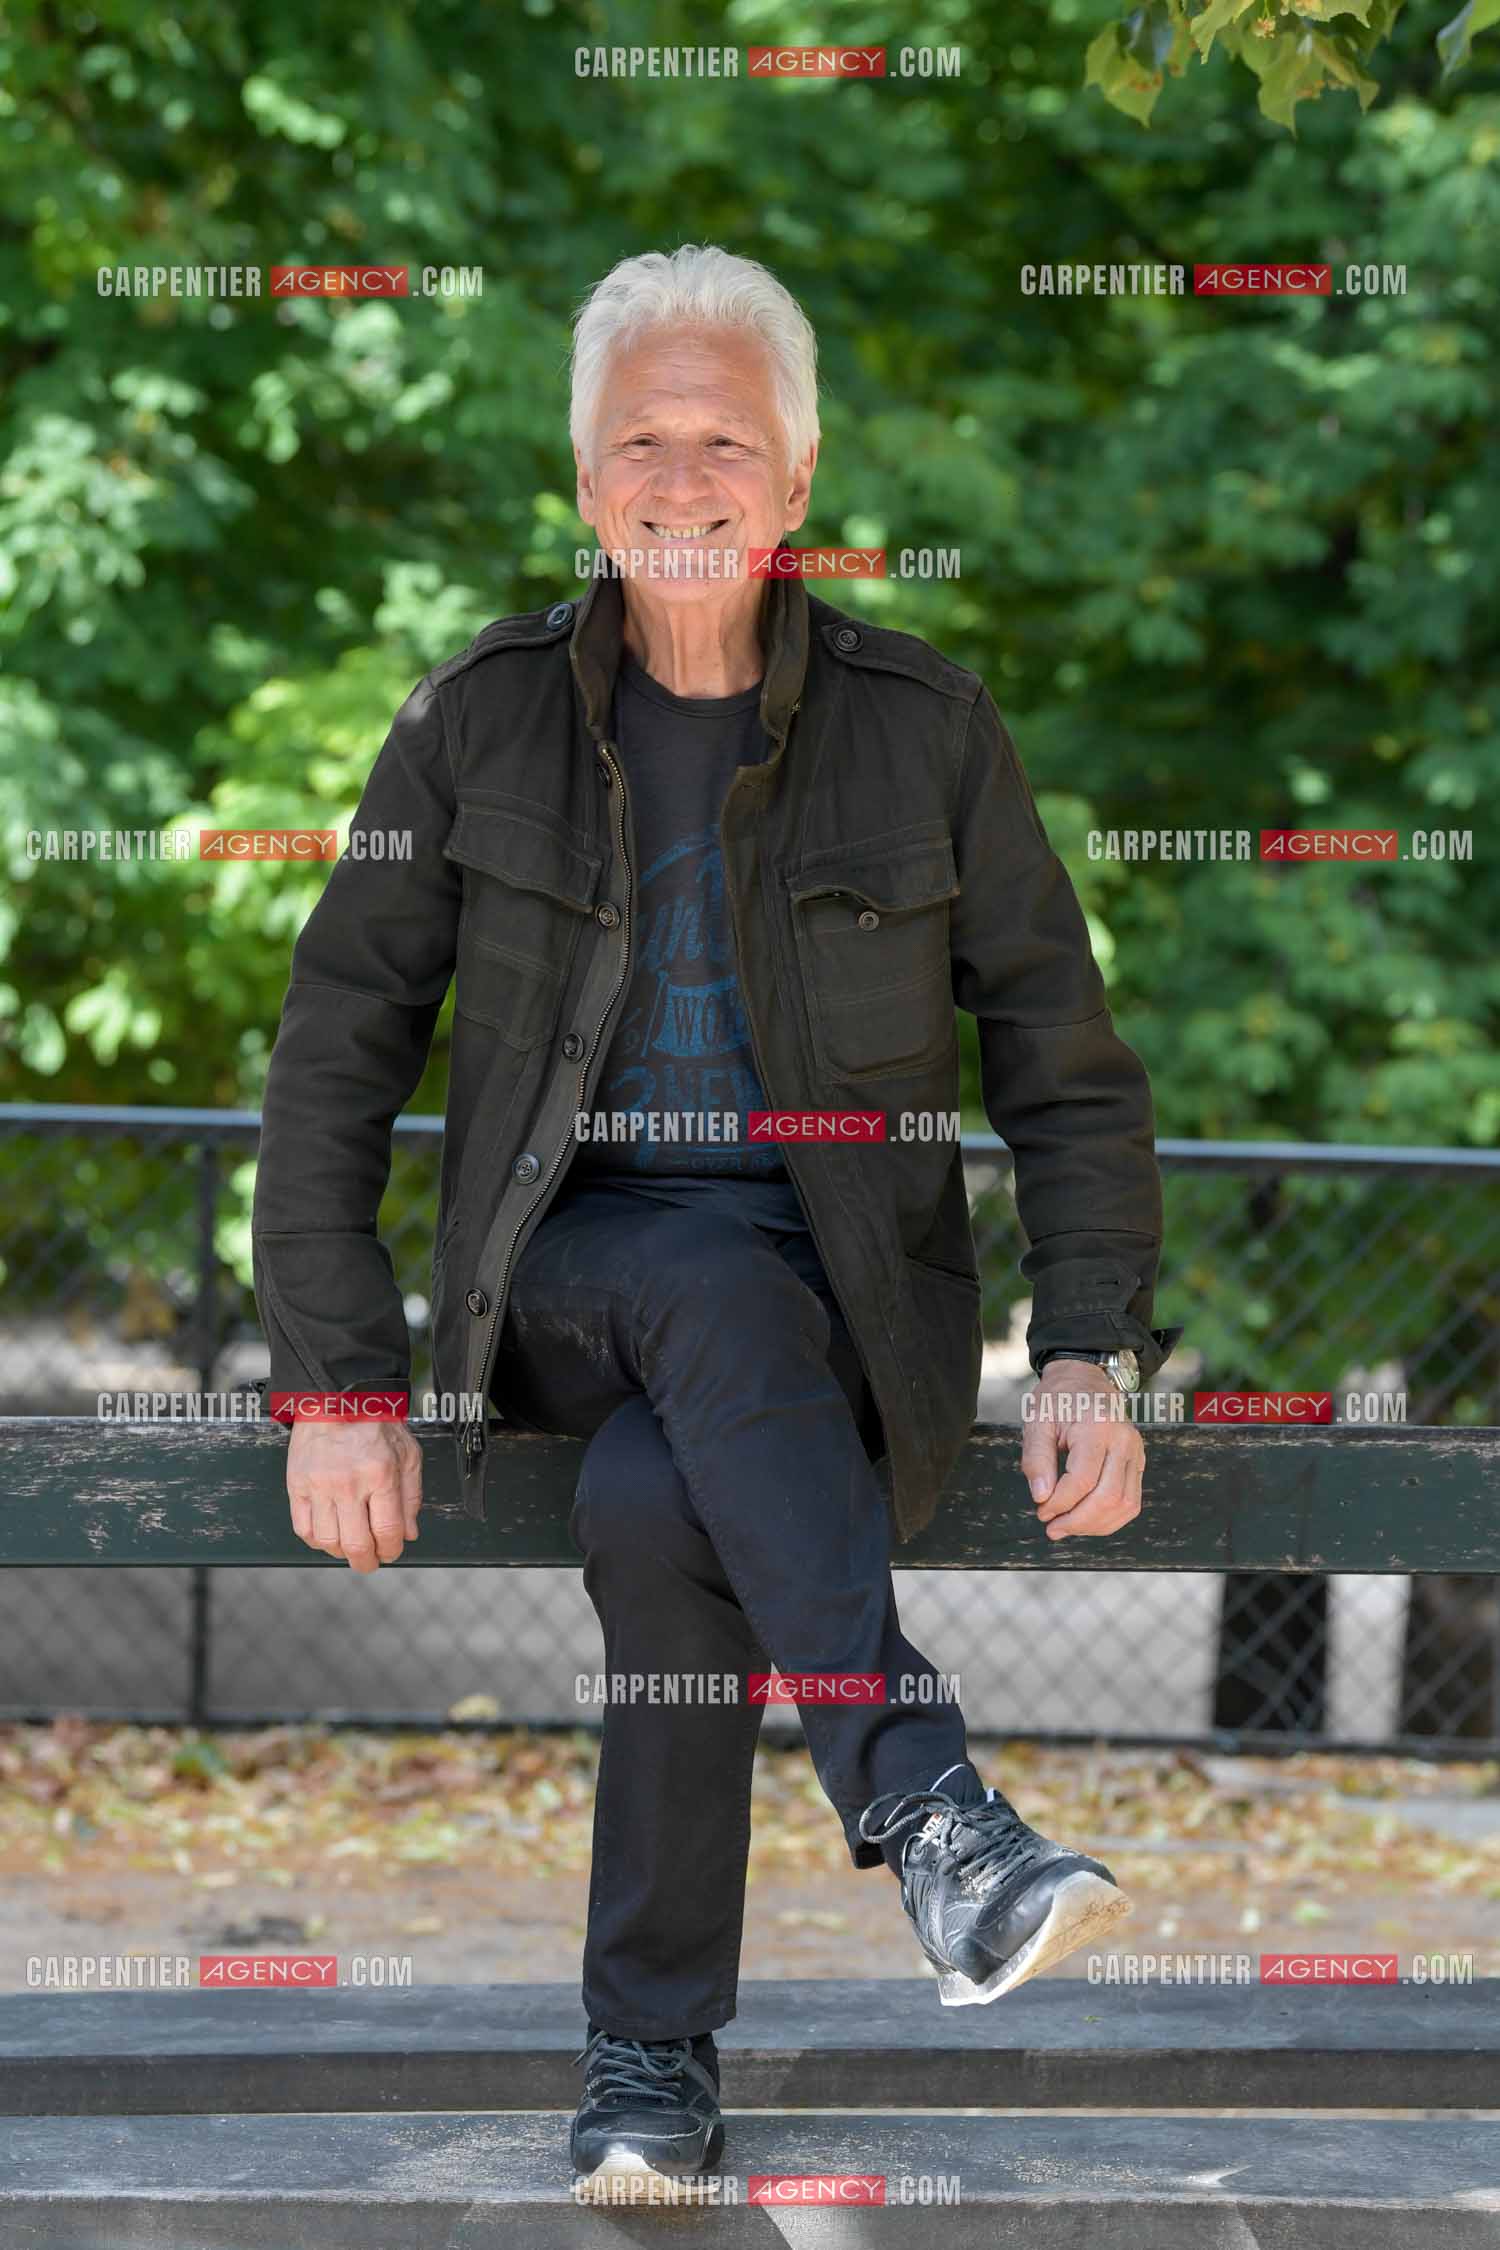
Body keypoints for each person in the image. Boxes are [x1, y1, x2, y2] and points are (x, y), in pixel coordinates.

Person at [250, 244, 1180, 2193]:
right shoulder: (475, 722)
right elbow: (337, 1046)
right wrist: (334, 1382)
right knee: (681, 1274)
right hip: (575, 1279)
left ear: (802, 480)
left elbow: (1064, 1064)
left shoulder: (928, 731)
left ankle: (648, 2066)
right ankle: (930, 1810)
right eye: (643, 441)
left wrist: (1089, 1338)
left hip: (838, 1303)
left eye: (727, 437)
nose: (686, 477)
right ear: (587, 482)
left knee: (662, 1504)